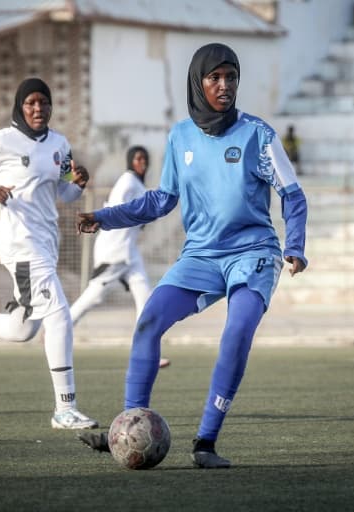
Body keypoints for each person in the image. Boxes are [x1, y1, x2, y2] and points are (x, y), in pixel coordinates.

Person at [75, 43, 308, 468]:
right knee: (148, 322)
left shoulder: (260, 135)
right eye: (214, 78)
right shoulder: (180, 135)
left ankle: (205, 443)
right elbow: (162, 200)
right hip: (200, 255)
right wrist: (106, 217)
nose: (224, 86)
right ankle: (128, 428)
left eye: (231, 77)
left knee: (236, 332)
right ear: (198, 82)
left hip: (253, 253)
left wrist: (295, 246)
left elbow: (292, 194)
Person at [0, 77, 99, 430]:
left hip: (46, 243)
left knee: (23, 328)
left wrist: (78, 184)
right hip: (19, 243)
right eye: (31, 103)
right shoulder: (1, 142)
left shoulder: (60, 144)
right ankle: (64, 409)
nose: (38, 109)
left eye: (44, 102)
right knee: (59, 315)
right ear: (20, 107)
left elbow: (65, 195)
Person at [69, 146, 170, 369]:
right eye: (137, 159)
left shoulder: (138, 184)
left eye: (144, 159)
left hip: (130, 252)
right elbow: (116, 208)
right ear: (129, 162)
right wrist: (103, 220)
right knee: (94, 296)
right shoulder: (127, 182)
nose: (142, 163)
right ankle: (58, 329)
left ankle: (146, 354)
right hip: (114, 250)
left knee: (146, 300)